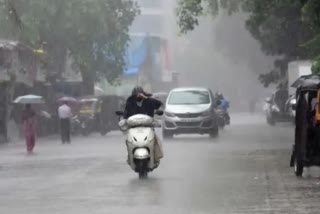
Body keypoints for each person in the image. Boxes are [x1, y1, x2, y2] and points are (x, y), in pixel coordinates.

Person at [123, 86, 163, 164]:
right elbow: (126, 115)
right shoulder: (130, 102)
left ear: (143, 94)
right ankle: (130, 157)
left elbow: (159, 104)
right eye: (135, 95)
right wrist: (125, 120)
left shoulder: (149, 101)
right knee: (127, 140)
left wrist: (147, 98)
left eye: (140, 95)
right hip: (134, 128)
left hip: (147, 127)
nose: (138, 96)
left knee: (155, 140)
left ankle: (156, 157)